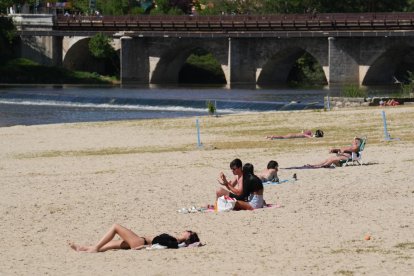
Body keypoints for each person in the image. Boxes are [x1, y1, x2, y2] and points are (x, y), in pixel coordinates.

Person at [69, 223, 200, 253]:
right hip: (139, 240)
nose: (186, 230)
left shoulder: (174, 241)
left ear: (188, 236)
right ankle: (84, 248)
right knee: (113, 244)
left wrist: (144, 246)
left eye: (189, 232)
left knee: (116, 227)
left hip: (139, 242)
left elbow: (161, 245)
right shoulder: (175, 240)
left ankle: (95, 248)